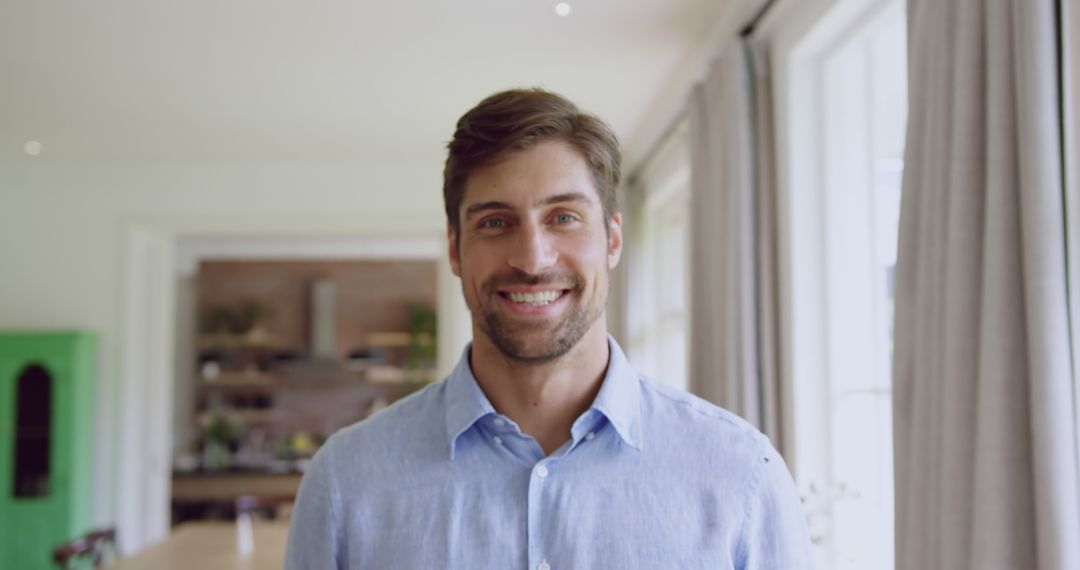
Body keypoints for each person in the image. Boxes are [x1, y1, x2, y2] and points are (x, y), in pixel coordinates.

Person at [285, 88, 813, 569]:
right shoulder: (345, 483)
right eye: (495, 222)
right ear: (454, 249)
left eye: (563, 217)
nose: (532, 259)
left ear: (611, 240)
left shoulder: (741, 473)